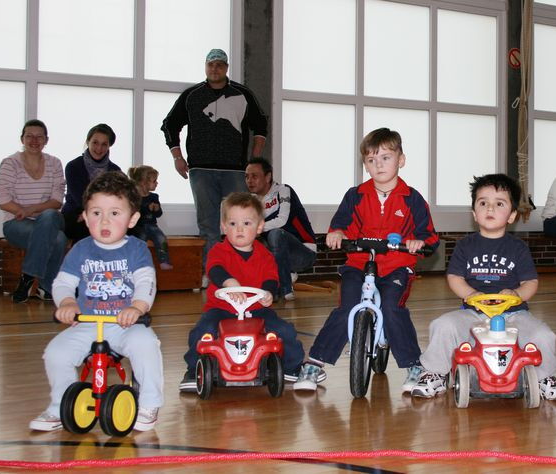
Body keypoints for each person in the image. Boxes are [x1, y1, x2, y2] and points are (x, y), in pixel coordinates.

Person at [294, 127, 439, 393]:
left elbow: (429, 236)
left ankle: (413, 366)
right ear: (365, 165)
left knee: (393, 309)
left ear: (401, 160)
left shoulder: (413, 199)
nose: (378, 164)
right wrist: (336, 233)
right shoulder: (356, 195)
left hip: (396, 265)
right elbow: (341, 224)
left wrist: (420, 243)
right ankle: (315, 363)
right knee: (346, 307)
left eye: (385, 157)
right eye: (371, 160)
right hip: (359, 263)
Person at [410, 174, 556, 401]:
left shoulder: (518, 248)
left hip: (514, 314)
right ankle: (433, 372)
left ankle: (544, 377)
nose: (490, 208)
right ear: (474, 213)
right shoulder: (465, 245)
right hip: (472, 313)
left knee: (543, 335)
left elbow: (530, 282)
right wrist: (472, 294)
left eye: (499, 203)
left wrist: (516, 294)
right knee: (443, 325)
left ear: (512, 215)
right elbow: (454, 277)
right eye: (483, 203)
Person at [29, 171, 162, 432]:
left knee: (145, 344)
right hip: (88, 323)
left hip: (125, 323)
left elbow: (146, 281)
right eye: (96, 212)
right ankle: (60, 407)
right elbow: (63, 282)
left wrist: (137, 307)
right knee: (56, 353)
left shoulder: (135, 249)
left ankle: (149, 403)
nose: (105, 220)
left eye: (115, 213)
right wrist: (67, 303)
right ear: (85, 216)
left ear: (132, 218)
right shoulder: (81, 249)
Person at [179, 192, 308, 391]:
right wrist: (230, 283)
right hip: (221, 309)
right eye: (232, 224)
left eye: (246, 224)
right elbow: (215, 269)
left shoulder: (265, 256)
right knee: (203, 331)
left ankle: (293, 367)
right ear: (223, 227)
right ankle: (193, 369)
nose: (239, 229)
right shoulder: (219, 251)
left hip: (257, 309)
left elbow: (271, 278)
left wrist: (267, 293)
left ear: (259, 227)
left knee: (283, 331)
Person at [161, 48, 268, 285]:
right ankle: (212, 273)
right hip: (201, 170)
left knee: (241, 221)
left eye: (219, 65)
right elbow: (169, 125)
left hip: (235, 170)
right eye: (211, 65)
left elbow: (261, 125)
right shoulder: (192, 95)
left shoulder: (242, 94)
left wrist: (254, 158)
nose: (215, 69)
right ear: (205, 67)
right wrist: (177, 157)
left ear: (226, 68)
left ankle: (241, 271)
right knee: (208, 224)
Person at [0, 119, 67, 303]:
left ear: (46, 140)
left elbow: (57, 201)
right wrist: (23, 213)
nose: (34, 140)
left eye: (39, 137)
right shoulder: (10, 163)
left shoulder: (55, 163)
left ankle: (27, 277)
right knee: (58, 239)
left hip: (47, 218)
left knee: (50, 216)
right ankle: (46, 287)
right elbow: (4, 201)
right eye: (29, 136)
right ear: (22, 139)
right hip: (16, 223)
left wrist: (30, 210)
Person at [245, 158, 317, 302]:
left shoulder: (283, 190)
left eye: (254, 176)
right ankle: (281, 276)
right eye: (246, 177)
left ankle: (285, 288)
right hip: (279, 255)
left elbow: (282, 220)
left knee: (276, 233)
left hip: (304, 252)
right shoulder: (251, 202)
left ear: (268, 177)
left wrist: (253, 228)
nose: (249, 180)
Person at [61, 123, 121, 243]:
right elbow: (81, 198)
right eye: (95, 142)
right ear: (88, 142)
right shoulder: (73, 166)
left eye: (104, 144)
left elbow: (117, 199)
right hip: (76, 215)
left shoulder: (115, 171)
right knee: (87, 229)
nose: (99, 148)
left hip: (105, 216)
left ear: (109, 146)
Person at [128, 165, 173, 270]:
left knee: (162, 239)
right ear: (144, 183)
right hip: (138, 227)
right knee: (140, 241)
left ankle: (164, 261)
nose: (157, 183)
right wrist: (146, 207)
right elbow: (133, 213)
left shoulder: (154, 197)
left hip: (152, 225)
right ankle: (140, 263)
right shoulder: (134, 197)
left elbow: (159, 214)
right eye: (154, 181)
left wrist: (157, 209)